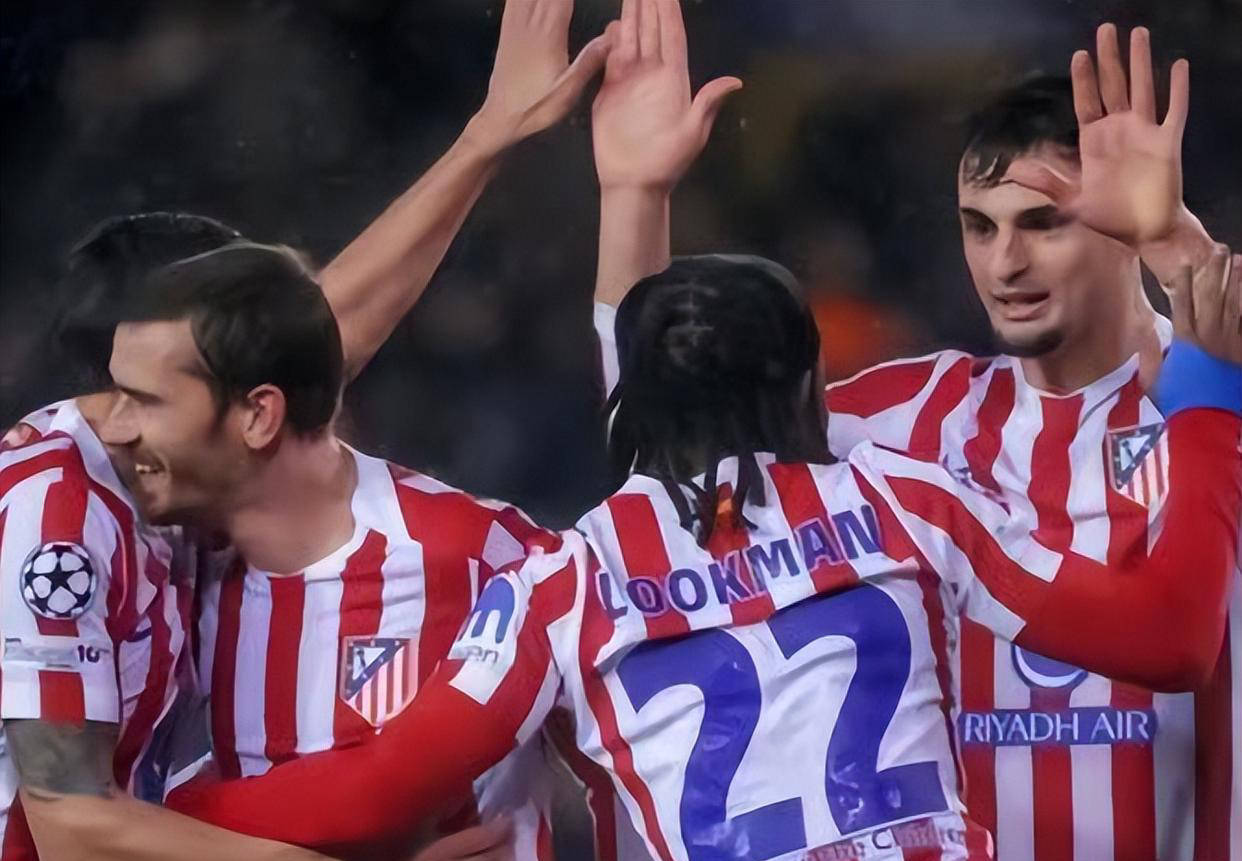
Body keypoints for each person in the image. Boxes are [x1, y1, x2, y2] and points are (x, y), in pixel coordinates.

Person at [161, 247, 1240, 861]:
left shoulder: (563, 582)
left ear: (628, 399)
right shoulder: (907, 497)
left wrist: (147, 819)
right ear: (810, 386)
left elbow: (374, 790)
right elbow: (1173, 635)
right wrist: (1207, 399)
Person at [590, 18, 1238, 861]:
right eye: (979, 226)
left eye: (1043, 222)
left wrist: (1178, 245)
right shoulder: (900, 423)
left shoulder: (1212, 413)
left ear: (1120, 227)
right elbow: (665, 446)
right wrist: (635, 198)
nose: (1004, 263)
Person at [0, 1, 616, 857]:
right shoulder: (56, 515)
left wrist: (488, 138)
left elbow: (317, 332)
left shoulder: (176, 460)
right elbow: (67, 830)